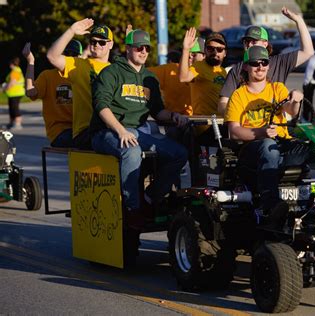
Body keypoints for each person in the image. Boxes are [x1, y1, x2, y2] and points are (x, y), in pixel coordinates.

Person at [90, 29, 188, 229]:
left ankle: (150, 197)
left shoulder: (149, 78)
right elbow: (101, 106)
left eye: (147, 48)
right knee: (131, 151)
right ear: (128, 49)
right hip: (106, 132)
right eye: (138, 48)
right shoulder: (111, 72)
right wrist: (121, 130)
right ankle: (132, 208)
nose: (143, 52)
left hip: (136, 132)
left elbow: (158, 111)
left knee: (179, 153)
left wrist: (173, 115)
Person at [225, 46, 309, 229]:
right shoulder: (239, 95)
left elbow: (291, 112)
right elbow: (233, 131)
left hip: (281, 144)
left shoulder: (276, 88)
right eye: (255, 63)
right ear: (246, 67)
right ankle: (270, 205)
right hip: (251, 149)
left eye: (264, 62)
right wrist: (260, 132)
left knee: (311, 149)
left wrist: (295, 100)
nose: (260, 67)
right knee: (268, 146)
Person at [218, 6, 314, 115]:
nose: (249, 45)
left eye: (254, 42)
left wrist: (299, 21)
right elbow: (223, 103)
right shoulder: (237, 70)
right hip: (247, 126)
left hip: (275, 125)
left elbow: (308, 52)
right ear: (246, 67)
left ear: (265, 44)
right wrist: (243, 116)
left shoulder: (279, 64)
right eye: (247, 41)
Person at [47, 18, 113, 149]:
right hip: (86, 132)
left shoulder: (115, 69)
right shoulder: (78, 65)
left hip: (109, 128)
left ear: (111, 44)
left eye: (102, 42)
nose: (97, 45)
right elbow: (52, 57)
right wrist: (71, 31)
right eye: (93, 41)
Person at [22, 40, 83, 147]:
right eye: (67, 54)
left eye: (74, 55)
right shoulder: (47, 76)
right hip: (59, 132)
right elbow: (30, 92)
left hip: (80, 129)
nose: (70, 58)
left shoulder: (83, 75)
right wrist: (31, 61)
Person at [179, 28, 227, 144]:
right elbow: (183, 77)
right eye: (211, 48)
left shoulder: (223, 72)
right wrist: (186, 49)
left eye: (219, 49)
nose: (215, 52)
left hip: (222, 124)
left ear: (225, 53)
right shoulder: (199, 66)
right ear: (205, 51)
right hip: (205, 127)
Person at [2, 57, 25, 130]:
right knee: (12, 108)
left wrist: (4, 89)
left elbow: (12, 82)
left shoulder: (15, 72)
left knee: (15, 108)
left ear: (12, 64)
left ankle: (18, 124)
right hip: (13, 93)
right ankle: (11, 123)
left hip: (16, 93)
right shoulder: (17, 71)